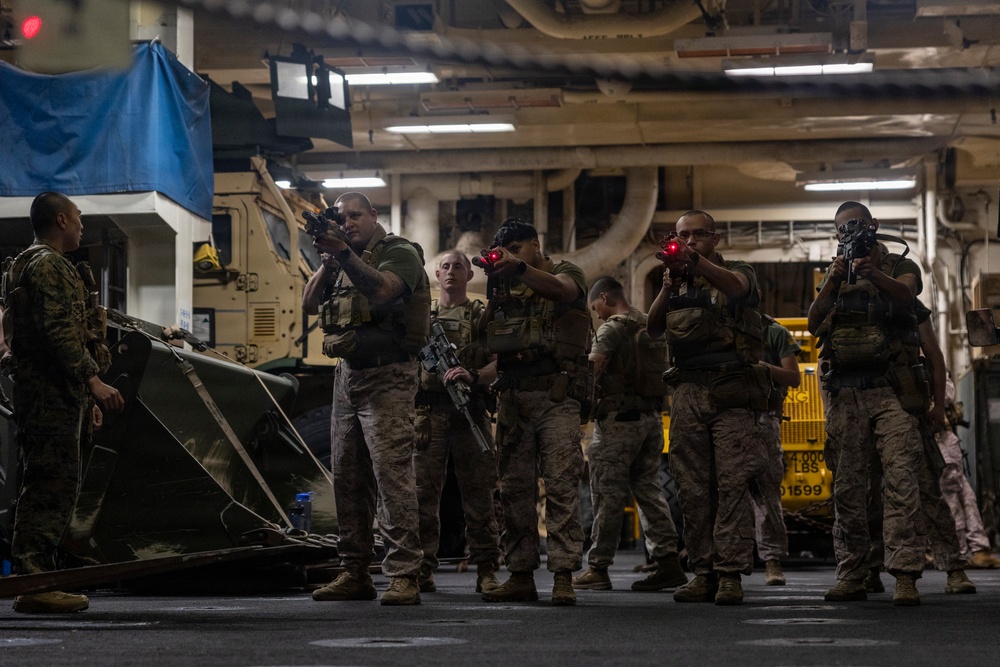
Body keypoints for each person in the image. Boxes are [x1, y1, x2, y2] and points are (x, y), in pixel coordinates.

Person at [303, 192, 430, 606]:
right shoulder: (339, 262)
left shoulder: (399, 251)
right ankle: (355, 571)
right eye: (342, 218)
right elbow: (308, 304)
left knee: (392, 476)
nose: (348, 222)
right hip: (348, 376)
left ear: (374, 215)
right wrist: (329, 260)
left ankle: (404, 573)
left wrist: (344, 253)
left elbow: (384, 292)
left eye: (355, 215)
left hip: (388, 374)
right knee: (348, 477)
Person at [454, 217, 590, 606]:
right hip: (514, 397)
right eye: (506, 250)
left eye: (518, 248)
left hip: (555, 396)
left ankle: (563, 574)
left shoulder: (563, 270)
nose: (511, 256)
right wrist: (475, 374)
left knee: (561, 485)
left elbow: (564, 291)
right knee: (514, 490)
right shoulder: (505, 285)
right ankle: (520, 573)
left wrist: (517, 268)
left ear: (535, 244)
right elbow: (502, 351)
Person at [1, 192, 124, 614]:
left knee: (44, 482)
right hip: (49, 393)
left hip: (50, 393)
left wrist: (82, 393)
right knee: (51, 484)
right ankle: (35, 581)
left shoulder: (24, 262)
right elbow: (58, 331)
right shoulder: (49, 264)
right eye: (78, 218)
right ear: (60, 219)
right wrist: (92, 382)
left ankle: (37, 575)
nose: (82, 226)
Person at [647, 210, 769, 606]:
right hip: (687, 393)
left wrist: (693, 261)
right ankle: (703, 571)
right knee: (692, 487)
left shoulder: (736, 270)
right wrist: (668, 286)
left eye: (699, 235)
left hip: (730, 391)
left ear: (715, 238)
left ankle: (730, 573)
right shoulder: (677, 280)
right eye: (683, 235)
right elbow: (652, 327)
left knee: (732, 484)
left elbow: (737, 289)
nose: (690, 241)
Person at [807, 201, 926, 606]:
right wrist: (833, 281)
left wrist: (872, 272)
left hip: (892, 390)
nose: (850, 233)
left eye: (855, 225)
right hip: (847, 394)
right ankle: (853, 573)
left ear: (872, 225)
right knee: (849, 488)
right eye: (842, 228)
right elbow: (812, 321)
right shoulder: (835, 271)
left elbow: (907, 298)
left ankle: (905, 574)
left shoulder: (898, 265)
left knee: (901, 480)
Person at [571, 277, 687, 593]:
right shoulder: (646, 323)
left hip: (618, 423)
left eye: (596, 308)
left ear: (605, 297)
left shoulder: (613, 328)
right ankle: (668, 563)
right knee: (649, 492)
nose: (597, 315)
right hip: (650, 419)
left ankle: (597, 567)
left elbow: (592, 369)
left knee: (607, 494)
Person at [863, 299, 976, 596]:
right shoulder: (847, 300)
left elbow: (935, 358)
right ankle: (869, 569)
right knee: (866, 497)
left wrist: (938, 406)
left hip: (908, 409)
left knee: (927, 492)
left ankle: (953, 566)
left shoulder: (907, 304)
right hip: (862, 411)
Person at [413, 250, 501, 594]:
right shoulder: (423, 315)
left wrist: (474, 375)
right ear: (437, 274)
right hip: (428, 415)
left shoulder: (481, 315)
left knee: (479, 495)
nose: (451, 272)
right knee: (422, 496)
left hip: (470, 414)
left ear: (469, 275)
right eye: (446, 267)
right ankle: (420, 569)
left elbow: (502, 362)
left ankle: (487, 570)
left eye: (459, 267)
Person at [754, 312, 802, 586]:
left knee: (767, 492)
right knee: (724, 492)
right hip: (725, 419)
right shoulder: (719, 328)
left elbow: (793, 377)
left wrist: (761, 367)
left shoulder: (774, 332)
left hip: (764, 418)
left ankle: (772, 562)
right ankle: (723, 568)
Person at [937, 373, 1000, 569]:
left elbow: (947, 393)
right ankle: (974, 549)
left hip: (942, 442)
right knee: (960, 496)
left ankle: (964, 551)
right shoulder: (929, 368)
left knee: (956, 498)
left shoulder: (927, 368)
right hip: (943, 441)